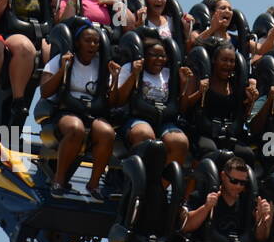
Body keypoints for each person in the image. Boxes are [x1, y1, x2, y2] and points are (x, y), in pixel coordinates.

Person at [39, 23, 114, 193]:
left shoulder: (101, 65)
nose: (92, 45)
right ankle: (59, 180)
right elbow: (45, 91)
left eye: (96, 42)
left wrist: (115, 79)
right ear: (78, 43)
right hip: (65, 111)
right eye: (88, 41)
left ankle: (94, 184)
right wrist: (62, 70)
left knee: (107, 133)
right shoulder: (60, 60)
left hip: (91, 112)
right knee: (75, 128)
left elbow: (111, 100)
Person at [111, 38, 192, 169]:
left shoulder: (170, 74)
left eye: (163, 56)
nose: (159, 59)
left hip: (164, 120)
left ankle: (159, 185)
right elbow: (118, 100)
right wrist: (134, 75)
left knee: (180, 142)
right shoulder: (130, 67)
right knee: (144, 134)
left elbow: (182, 108)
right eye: (154, 55)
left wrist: (183, 84)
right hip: (137, 118)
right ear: (144, 56)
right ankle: (136, 178)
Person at [182, 43, 259, 166]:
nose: (228, 64)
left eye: (231, 61)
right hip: (205, 132)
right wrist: (200, 92)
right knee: (209, 151)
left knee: (247, 154)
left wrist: (251, 100)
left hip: (229, 133)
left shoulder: (236, 85)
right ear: (214, 61)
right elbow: (185, 106)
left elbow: (244, 115)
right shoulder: (203, 81)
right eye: (224, 60)